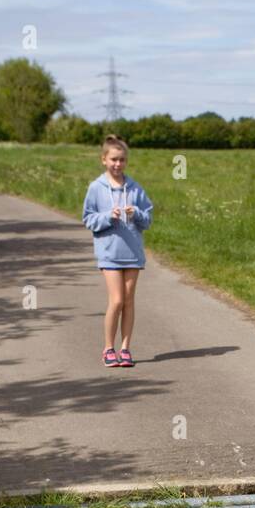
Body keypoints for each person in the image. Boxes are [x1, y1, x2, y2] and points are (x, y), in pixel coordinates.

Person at [81, 134, 153, 368]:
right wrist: (106, 217)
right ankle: (108, 348)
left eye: (122, 160)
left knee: (129, 301)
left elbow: (148, 219)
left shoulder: (135, 188)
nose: (117, 164)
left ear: (126, 161)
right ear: (103, 159)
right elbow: (88, 218)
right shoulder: (96, 188)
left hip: (132, 253)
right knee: (117, 300)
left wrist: (137, 214)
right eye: (113, 159)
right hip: (109, 252)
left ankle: (125, 349)